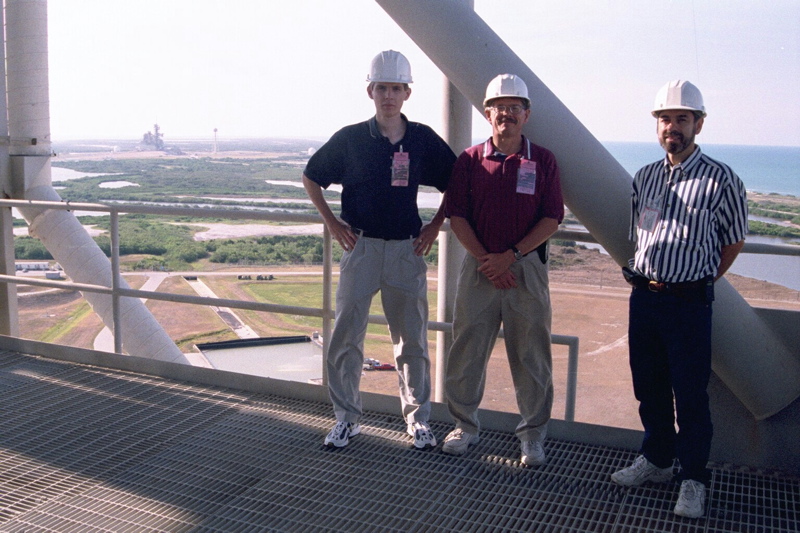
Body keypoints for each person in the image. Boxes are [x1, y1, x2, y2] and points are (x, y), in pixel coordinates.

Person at [302, 50, 456, 449]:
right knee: (345, 337)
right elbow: (311, 176)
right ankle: (346, 419)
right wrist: (333, 223)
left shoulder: (421, 139)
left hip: (407, 250)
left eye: (396, 88)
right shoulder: (352, 138)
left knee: (413, 340)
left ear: (407, 92)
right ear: (370, 90)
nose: (388, 95)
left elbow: (458, 182)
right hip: (362, 247)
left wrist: (435, 226)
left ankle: (418, 419)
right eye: (382, 88)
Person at [611, 80, 748, 519]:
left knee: (690, 395)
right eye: (666, 119)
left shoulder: (721, 179)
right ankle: (656, 460)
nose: (673, 127)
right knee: (648, 387)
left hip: (689, 305)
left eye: (682, 119)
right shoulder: (645, 177)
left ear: (699, 124)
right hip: (645, 300)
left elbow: (732, 243)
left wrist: (693, 282)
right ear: (657, 126)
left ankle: (692, 478)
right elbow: (640, 234)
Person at [441, 74, 564, 466]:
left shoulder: (542, 160)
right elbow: (456, 215)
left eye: (515, 107)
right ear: (487, 113)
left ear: (526, 115)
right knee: (466, 350)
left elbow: (552, 218)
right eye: (499, 107)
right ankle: (464, 425)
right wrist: (488, 261)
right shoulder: (470, 160)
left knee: (532, 354)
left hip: (524, 269)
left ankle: (532, 434)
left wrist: (510, 255)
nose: (506, 114)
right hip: (480, 267)